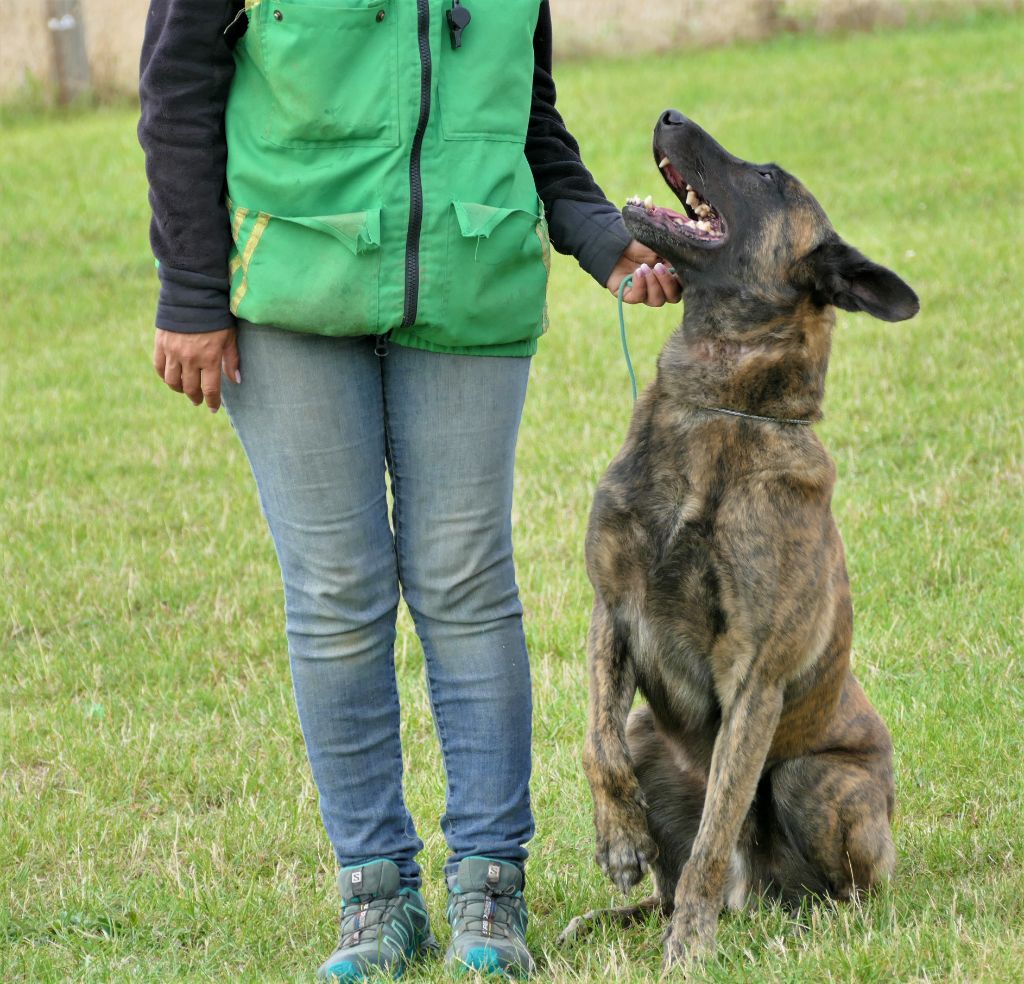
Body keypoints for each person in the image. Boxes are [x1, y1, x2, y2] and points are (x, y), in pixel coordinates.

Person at [138, 1, 681, 979]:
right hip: (290, 288)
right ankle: (374, 894)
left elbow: (524, 115)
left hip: (470, 287)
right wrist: (188, 290)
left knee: (467, 584)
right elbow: (178, 92)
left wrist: (600, 235)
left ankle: (488, 890)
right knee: (336, 594)